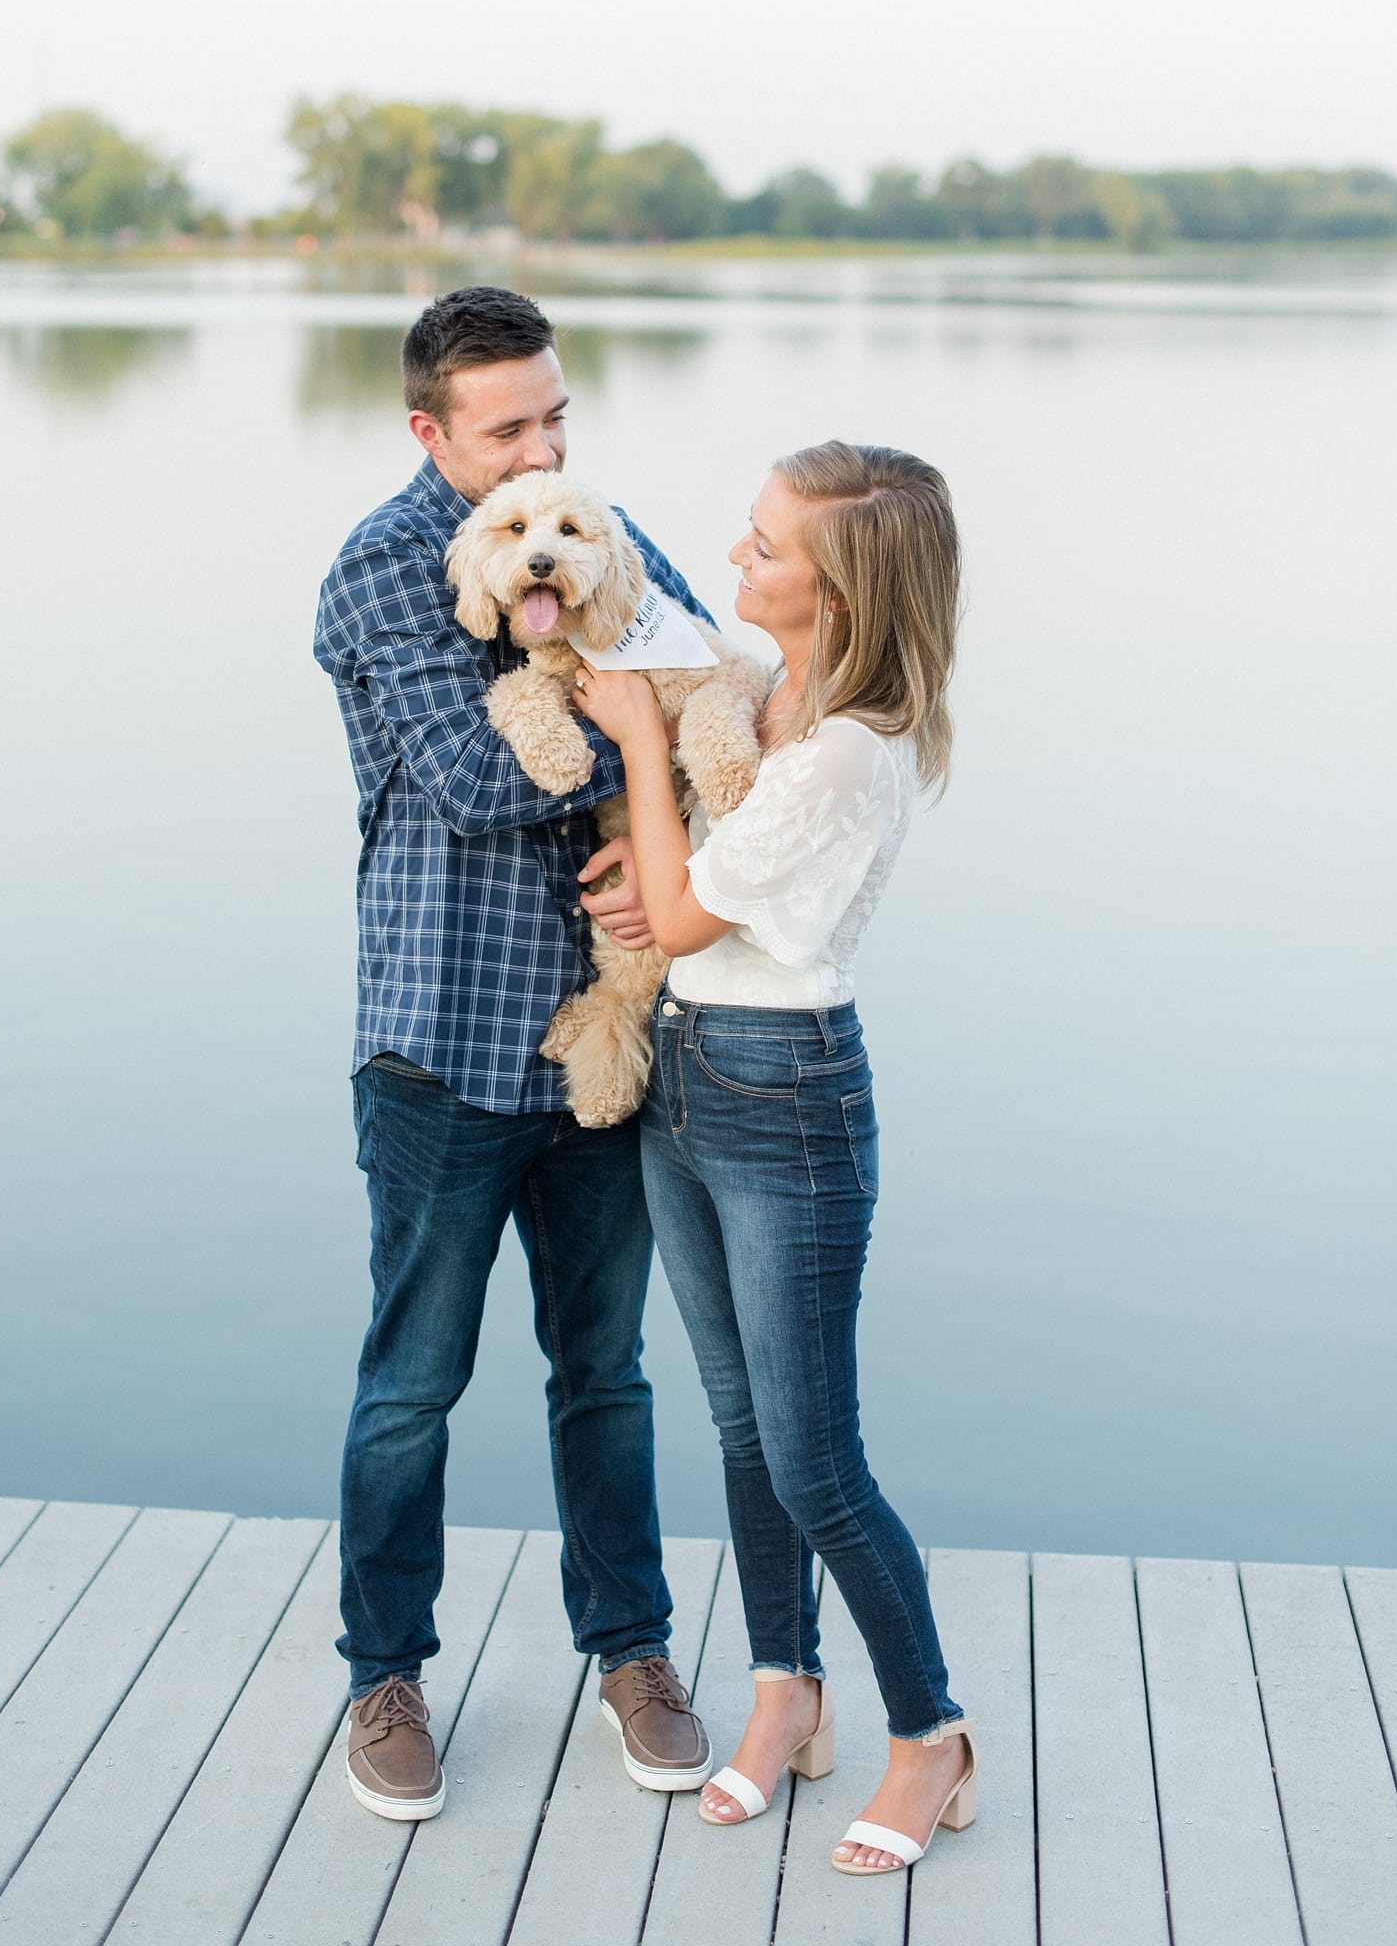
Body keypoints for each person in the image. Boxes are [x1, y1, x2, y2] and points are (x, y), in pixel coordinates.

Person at [314, 285, 714, 1821]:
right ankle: (386, 1675)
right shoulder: (376, 576)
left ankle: (632, 1653)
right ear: (430, 432)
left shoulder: (586, 522)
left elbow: (696, 671)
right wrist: (643, 754)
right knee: (413, 1384)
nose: (543, 447)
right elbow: (485, 781)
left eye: (556, 417)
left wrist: (664, 798)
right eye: (508, 430)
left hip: (610, 1041)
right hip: (438, 1047)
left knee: (603, 1374)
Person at [570, 441, 974, 1878]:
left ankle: (928, 1737)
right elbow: (690, 895)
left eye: (763, 550)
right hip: (687, 1074)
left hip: (785, 1101)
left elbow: (687, 920)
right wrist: (646, 859)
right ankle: (784, 1695)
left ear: (842, 585)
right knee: (742, 1433)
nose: (732, 564)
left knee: (818, 1462)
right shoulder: (769, 695)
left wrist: (630, 745)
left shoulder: (849, 750)